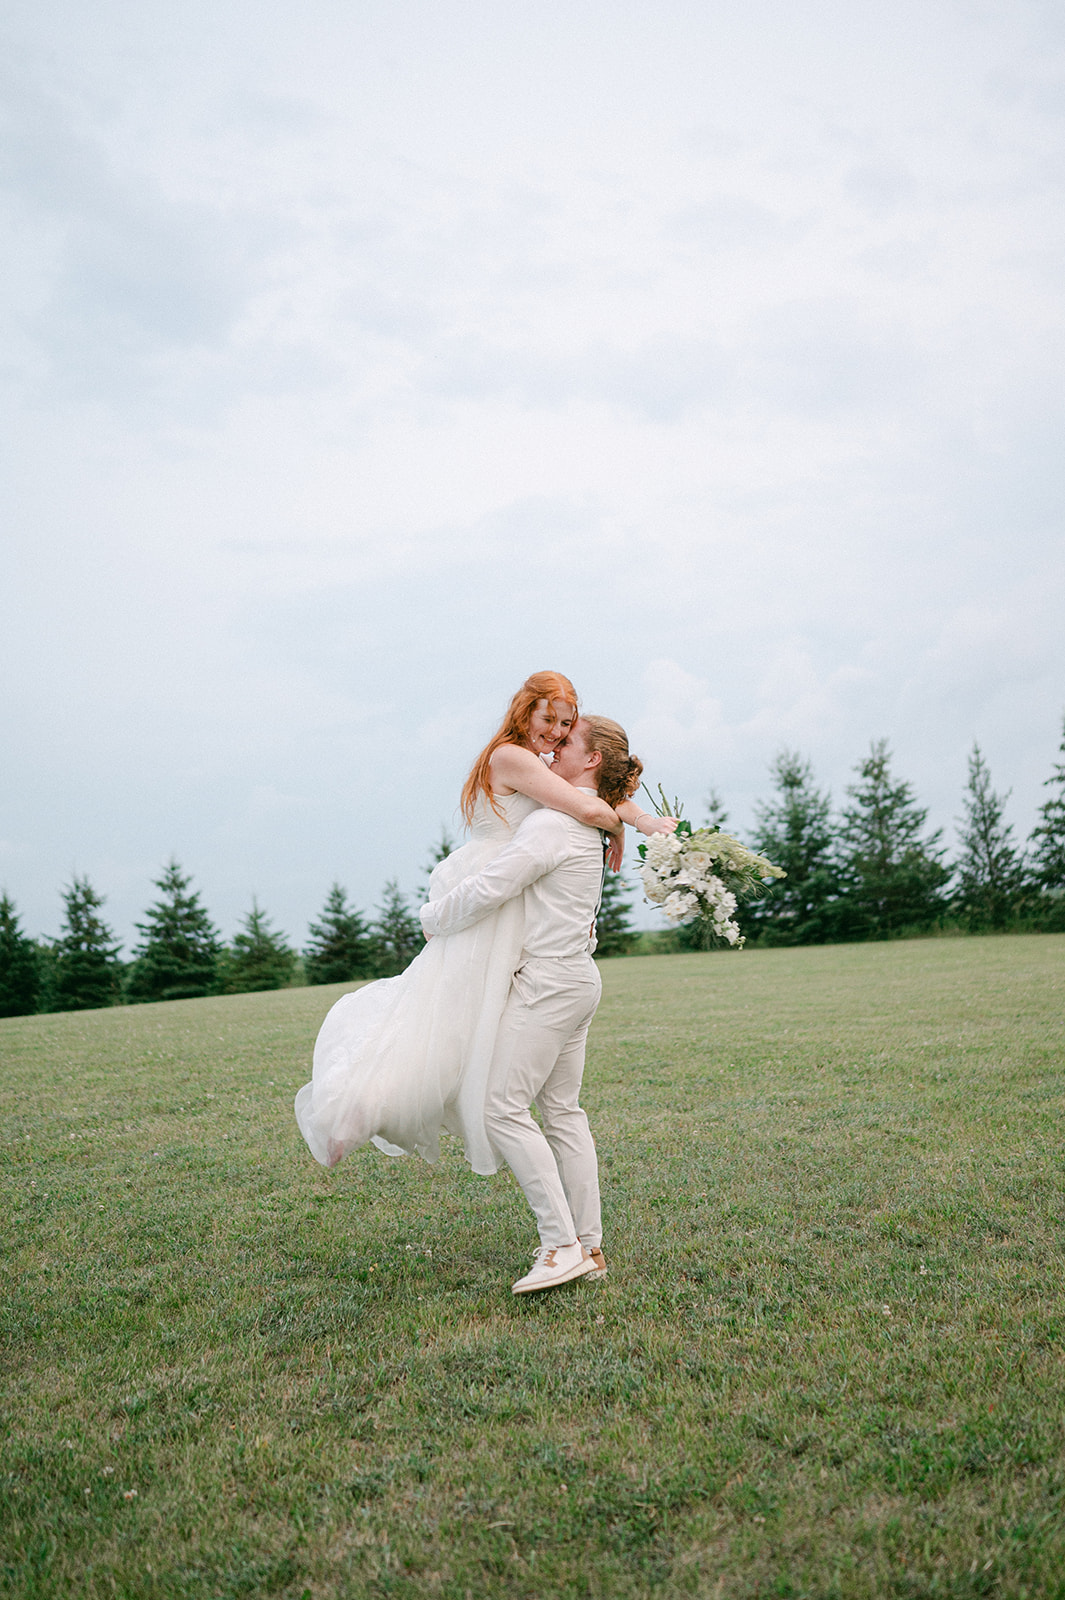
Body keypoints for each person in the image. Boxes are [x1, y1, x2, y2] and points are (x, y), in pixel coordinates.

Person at [294, 672, 674, 1176]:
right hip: (496, 890)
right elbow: (583, 803)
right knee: (447, 1014)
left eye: (566, 725)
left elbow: (594, 793)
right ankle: (360, 1109)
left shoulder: (541, 763)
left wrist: (638, 821)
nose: (558, 733)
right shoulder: (510, 756)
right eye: (549, 719)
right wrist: (617, 827)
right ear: (525, 709)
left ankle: (377, 1108)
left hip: (517, 895)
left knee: (466, 1020)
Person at [420, 715, 641, 1293]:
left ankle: (560, 1245)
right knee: (563, 1112)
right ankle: (588, 1244)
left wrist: (432, 917)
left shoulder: (551, 824)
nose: (550, 749)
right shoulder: (588, 823)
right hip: (579, 981)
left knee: (503, 1108)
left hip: (549, 985)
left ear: (590, 760)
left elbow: (493, 886)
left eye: (565, 742)